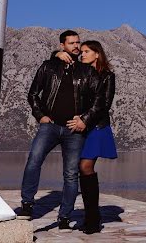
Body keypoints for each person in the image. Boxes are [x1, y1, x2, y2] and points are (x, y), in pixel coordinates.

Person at [18, 30, 99, 231]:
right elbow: (33, 94)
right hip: (50, 126)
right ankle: (27, 204)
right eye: (71, 43)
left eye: (78, 43)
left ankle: (64, 216)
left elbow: (97, 100)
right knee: (34, 160)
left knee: (71, 174)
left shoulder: (86, 71)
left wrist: (84, 120)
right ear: (62, 45)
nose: (76, 46)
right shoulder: (48, 67)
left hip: (74, 131)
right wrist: (40, 116)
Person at [59, 40, 117, 234]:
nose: (82, 55)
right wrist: (55, 55)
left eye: (86, 52)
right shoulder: (79, 72)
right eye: (81, 52)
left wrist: (84, 119)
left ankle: (93, 219)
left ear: (97, 54)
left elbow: (104, 104)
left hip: (97, 126)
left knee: (85, 166)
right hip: (81, 126)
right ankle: (91, 216)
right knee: (80, 168)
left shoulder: (107, 76)